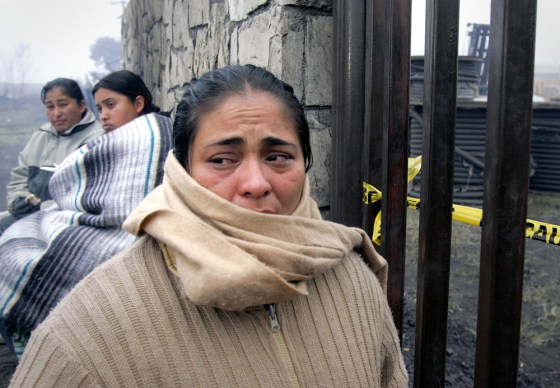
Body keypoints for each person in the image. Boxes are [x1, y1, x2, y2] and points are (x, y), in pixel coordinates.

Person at [10, 65, 408, 387]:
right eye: (222, 159)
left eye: (278, 156)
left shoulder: (354, 282)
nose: (255, 183)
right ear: (181, 171)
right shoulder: (89, 331)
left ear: (304, 163)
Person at [0, 70, 172, 358]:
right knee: (14, 242)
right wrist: (23, 201)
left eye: (111, 105)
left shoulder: (150, 134)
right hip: (70, 214)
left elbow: (120, 201)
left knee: (23, 259)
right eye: (101, 107)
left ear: (138, 104)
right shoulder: (47, 139)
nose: (104, 115)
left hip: (117, 231)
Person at [0, 78, 103, 234]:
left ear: (81, 105)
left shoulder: (96, 140)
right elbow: (19, 177)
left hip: (69, 222)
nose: (56, 113)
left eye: (63, 104)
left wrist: (41, 207)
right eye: (50, 106)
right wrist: (18, 199)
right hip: (31, 216)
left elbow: (84, 195)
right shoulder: (39, 137)